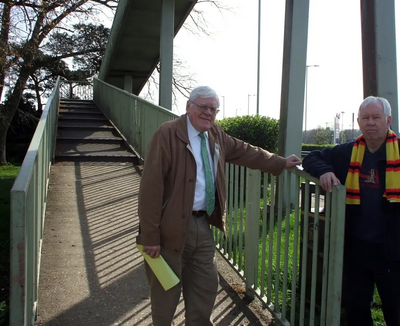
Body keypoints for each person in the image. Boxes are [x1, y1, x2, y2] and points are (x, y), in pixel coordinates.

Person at [137, 85, 301, 326]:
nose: (208, 113)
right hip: (168, 228)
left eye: (214, 109)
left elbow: (246, 151)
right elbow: (151, 188)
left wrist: (280, 162)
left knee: (205, 286)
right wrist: (150, 235)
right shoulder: (168, 134)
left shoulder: (215, 135)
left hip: (202, 225)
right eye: (202, 106)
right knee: (166, 293)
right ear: (188, 106)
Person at [302, 96, 400, 326]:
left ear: (388, 120)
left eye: (376, 117)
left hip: (393, 249)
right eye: (365, 118)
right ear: (358, 122)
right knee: (356, 309)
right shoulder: (348, 152)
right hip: (356, 246)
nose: (371, 123)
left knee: (395, 309)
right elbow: (313, 158)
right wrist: (325, 171)